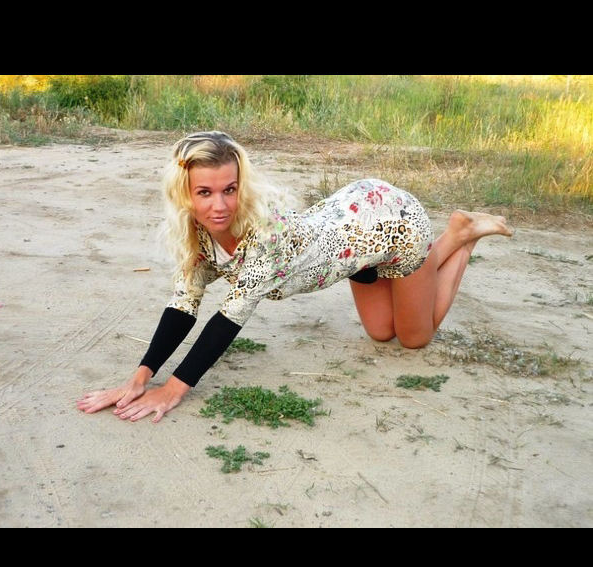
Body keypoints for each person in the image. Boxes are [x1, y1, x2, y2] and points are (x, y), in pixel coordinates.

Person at [76, 131, 512, 423]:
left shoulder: (265, 234)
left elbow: (228, 318)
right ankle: (442, 246)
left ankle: (461, 235)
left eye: (229, 190)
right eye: (204, 193)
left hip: (392, 222)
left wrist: (173, 389)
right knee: (382, 333)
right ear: (185, 194)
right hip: (356, 246)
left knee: (414, 338)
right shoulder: (197, 233)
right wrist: (139, 377)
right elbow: (184, 303)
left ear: (241, 185)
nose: (219, 206)